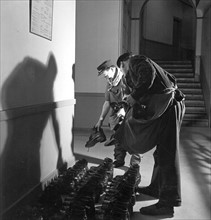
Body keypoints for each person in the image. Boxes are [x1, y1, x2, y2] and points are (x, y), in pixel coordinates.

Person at [114, 53, 185, 216]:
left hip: (169, 108)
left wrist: (133, 96)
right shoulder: (138, 67)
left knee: (168, 153)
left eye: (122, 69)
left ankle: (168, 203)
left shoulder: (136, 61)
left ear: (123, 63)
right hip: (167, 107)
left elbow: (148, 77)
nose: (124, 73)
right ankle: (156, 188)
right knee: (160, 152)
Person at [95, 59, 141, 168]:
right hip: (116, 115)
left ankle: (134, 165)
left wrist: (125, 109)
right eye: (105, 77)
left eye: (106, 75)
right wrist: (100, 120)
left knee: (134, 139)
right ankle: (119, 159)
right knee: (118, 138)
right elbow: (107, 102)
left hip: (131, 113)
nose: (106, 78)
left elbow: (136, 96)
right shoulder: (109, 83)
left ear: (111, 69)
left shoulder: (126, 79)